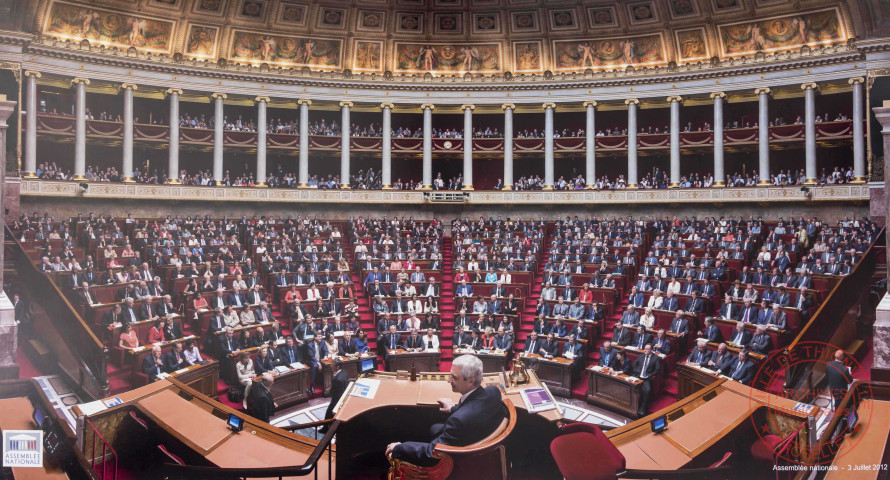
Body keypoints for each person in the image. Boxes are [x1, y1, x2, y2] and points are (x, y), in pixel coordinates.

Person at [386, 355, 504, 467]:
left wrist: (400, 448)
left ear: (471, 381)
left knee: (426, 425)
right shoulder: (493, 391)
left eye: (454, 377)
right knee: (434, 427)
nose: (448, 380)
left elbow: (432, 453)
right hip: (478, 435)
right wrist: (453, 408)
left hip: (460, 459)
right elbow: (476, 409)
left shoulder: (458, 421)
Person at [320, 358, 349, 433]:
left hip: (337, 400)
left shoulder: (338, 379)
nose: (330, 367)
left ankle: (325, 429)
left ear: (337, 367)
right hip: (342, 396)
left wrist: (334, 403)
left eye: (332, 365)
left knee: (329, 413)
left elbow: (337, 393)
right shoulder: (344, 372)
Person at [633, 344, 660, 417]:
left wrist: (650, 375)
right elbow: (635, 363)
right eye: (645, 349)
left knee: (647, 390)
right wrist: (636, 371)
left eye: (647, 349)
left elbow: (657, 370)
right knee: (631, 386)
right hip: (639, 377)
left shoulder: (655, 358)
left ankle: (642, 407)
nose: (645, 350)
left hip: (647, 378)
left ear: (651, 350)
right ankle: (633, 406)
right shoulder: (641, 356)